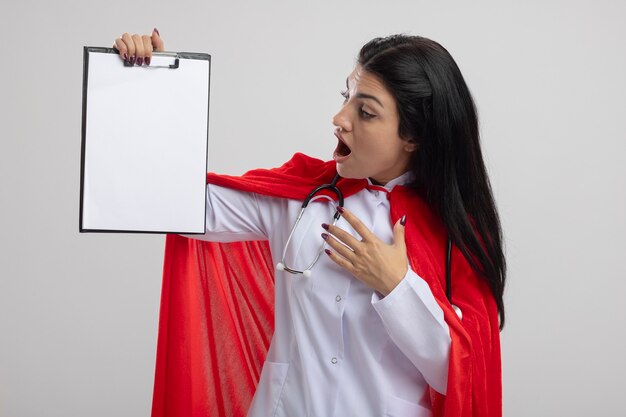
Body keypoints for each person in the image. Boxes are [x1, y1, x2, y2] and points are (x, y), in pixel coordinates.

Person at [114, 30, 505, 417]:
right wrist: (153, 87)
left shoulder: (456, 233)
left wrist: (395, 285)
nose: (339, 119)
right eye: (346, 100)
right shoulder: (303, 196)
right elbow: (164, 204)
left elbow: (458, 376)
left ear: (414, 136)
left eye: (365, 112)